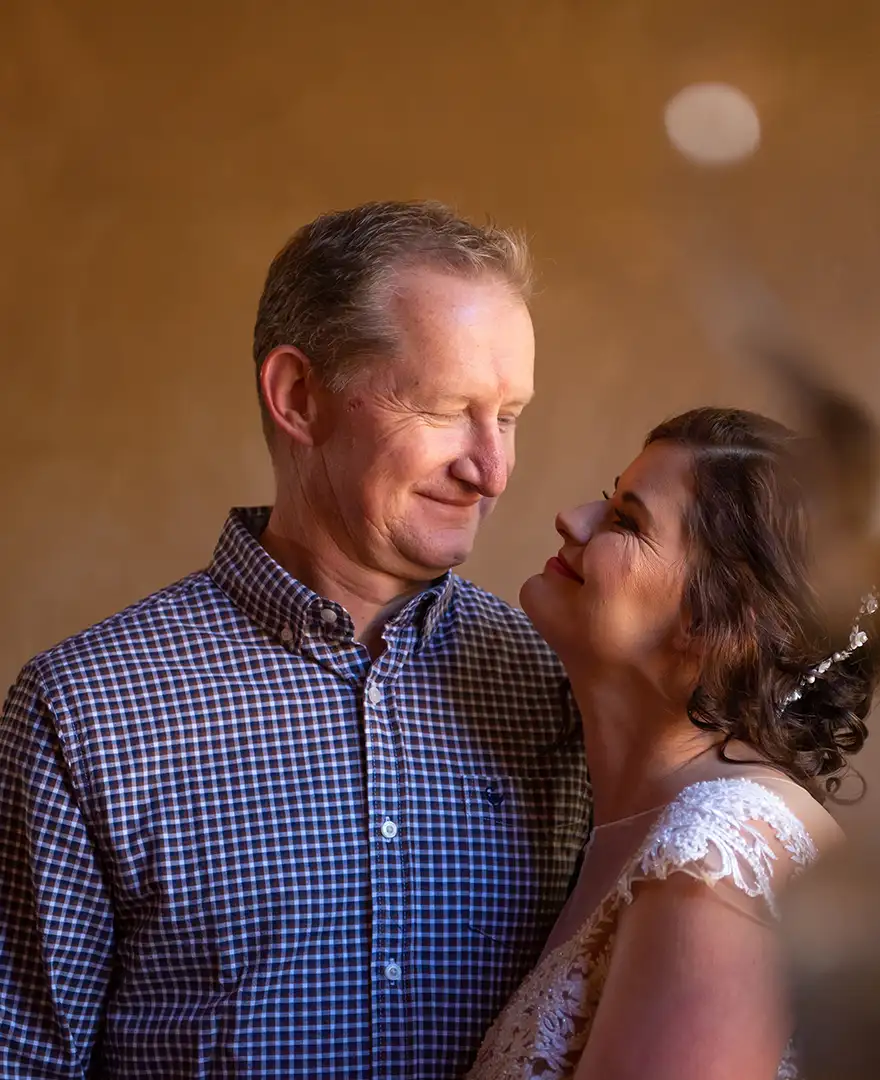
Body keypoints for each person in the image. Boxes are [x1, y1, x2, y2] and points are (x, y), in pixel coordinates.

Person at [0, 202, 590, 1079]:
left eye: (507, 416)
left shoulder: (562, 691)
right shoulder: (82, 709)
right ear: (297, 397)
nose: (491, 470)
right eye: (444, 409)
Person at [468, 407, 880, 1080]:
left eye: (626, 521)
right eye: (607, 499)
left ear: (718, 624)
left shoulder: (713, 860)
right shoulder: (628, 826)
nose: (572, 519)